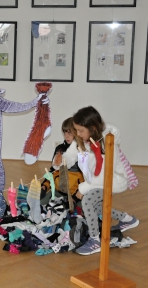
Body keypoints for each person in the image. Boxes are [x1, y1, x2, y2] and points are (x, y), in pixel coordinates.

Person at [72, 106, 139, 255]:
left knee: (87, 201)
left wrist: (83, 188)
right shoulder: (91, 139)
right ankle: (128, 219)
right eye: (76, 130)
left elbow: (104, 176)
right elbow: (76, 154)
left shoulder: (108, 144)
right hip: (102, 179)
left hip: (114, 180)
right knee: (95, 206)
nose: (78, 134)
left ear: (92, 128)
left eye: (80, 130)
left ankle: (95, 240)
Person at [51, 117, 84, 199]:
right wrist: (44, 186)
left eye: (69, 133)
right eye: (65, 133)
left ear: (76, 132)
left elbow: (85, 176)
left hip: (76, 190)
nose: (66, 136)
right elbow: (52, 171)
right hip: (60, 186)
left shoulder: (81, 149)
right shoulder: (59, 148)